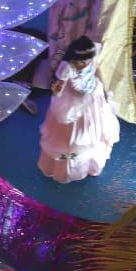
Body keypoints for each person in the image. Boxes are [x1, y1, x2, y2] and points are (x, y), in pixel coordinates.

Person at [39, 35, 120, 181]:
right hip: (73, 103)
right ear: (74, 58)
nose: (86, 63)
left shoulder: (93, 53)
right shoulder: (67, 68)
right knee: (71, 138)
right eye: (82, 61)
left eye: (88, 60)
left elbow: (97, 70)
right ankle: (68, 166)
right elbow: (59, 88)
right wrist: (56, 92)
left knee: (93, 131)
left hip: (94, 97)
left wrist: (104, 90)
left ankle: (91, 164)